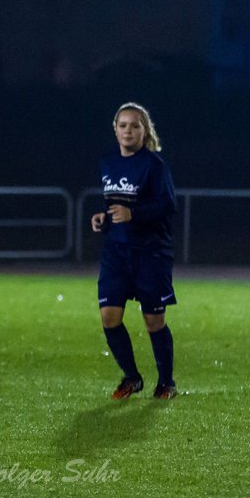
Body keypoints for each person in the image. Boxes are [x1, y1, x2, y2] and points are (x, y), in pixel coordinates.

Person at [90, 102, 178, 400]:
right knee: (109, 317)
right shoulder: (107, 162)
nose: (128, 130)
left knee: (154, 321)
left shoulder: (155, 166)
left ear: (145, 131)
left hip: (150, 254)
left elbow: (168, 205)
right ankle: (132, 377)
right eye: (123, 125)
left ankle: (166, 382)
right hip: (116, 253)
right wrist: (103, 218)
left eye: (135, 125)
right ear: (115, 130)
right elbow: (113, 202)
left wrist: (133, 214)